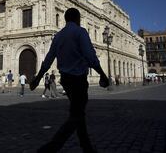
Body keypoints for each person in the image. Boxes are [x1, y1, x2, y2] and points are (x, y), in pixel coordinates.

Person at [30, 8, 109, 153]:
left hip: (65, 80)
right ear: (78, 19)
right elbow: (90, 56)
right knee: (77, 115)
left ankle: (87, 147)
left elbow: (48, 59)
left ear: (65, 19)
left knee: (78, 113)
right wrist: (102, 74)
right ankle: (50, 148)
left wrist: (37, 78)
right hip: (78, 79)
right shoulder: (81, 32)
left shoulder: (58, 36)